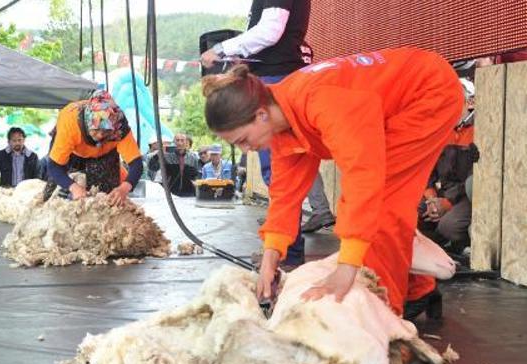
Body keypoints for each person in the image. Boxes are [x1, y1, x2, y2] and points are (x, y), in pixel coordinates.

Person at [202, 48, 464, 319]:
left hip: (428, 93)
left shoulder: (320, 101)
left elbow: (362, 176)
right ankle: (419, 289)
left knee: (384, 206)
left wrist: (347, 266)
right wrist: (270, 258)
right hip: (397, 98)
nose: (246, 150)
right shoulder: (281, 117)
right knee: (382, 208)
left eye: (243, 140)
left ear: (260, 115)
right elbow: (284, 196)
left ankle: (385, 318)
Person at [201, 0, 312, 267]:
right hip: (275, 75)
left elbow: (271, 30)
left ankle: (288, 254)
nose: (244, 149)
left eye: (242, 140)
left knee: (278, 172)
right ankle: (284, 250)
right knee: (280, 173)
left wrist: (222, 49)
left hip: (278, 76)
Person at [45, 90, 143, 206]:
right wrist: (74, 187)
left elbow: (136, 163)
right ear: (88, 122)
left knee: (107, 199)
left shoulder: (120, 129)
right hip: (74, 150)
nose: (100, 135)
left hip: (105, 153)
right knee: (54, 196)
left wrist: (124, 188)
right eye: (96, 130)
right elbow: (54, 166)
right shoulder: (70, 123)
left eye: (106, 131)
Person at [418, 78, 478, 255]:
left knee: (449, 227)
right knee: (409, 213)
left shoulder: (481, 129)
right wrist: (431, 199)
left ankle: (454, 242)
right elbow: (425, 169)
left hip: (464, 196)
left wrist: (447, 203)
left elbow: (474, 178)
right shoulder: (439, 130)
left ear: (471, 102)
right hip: (442, 195)